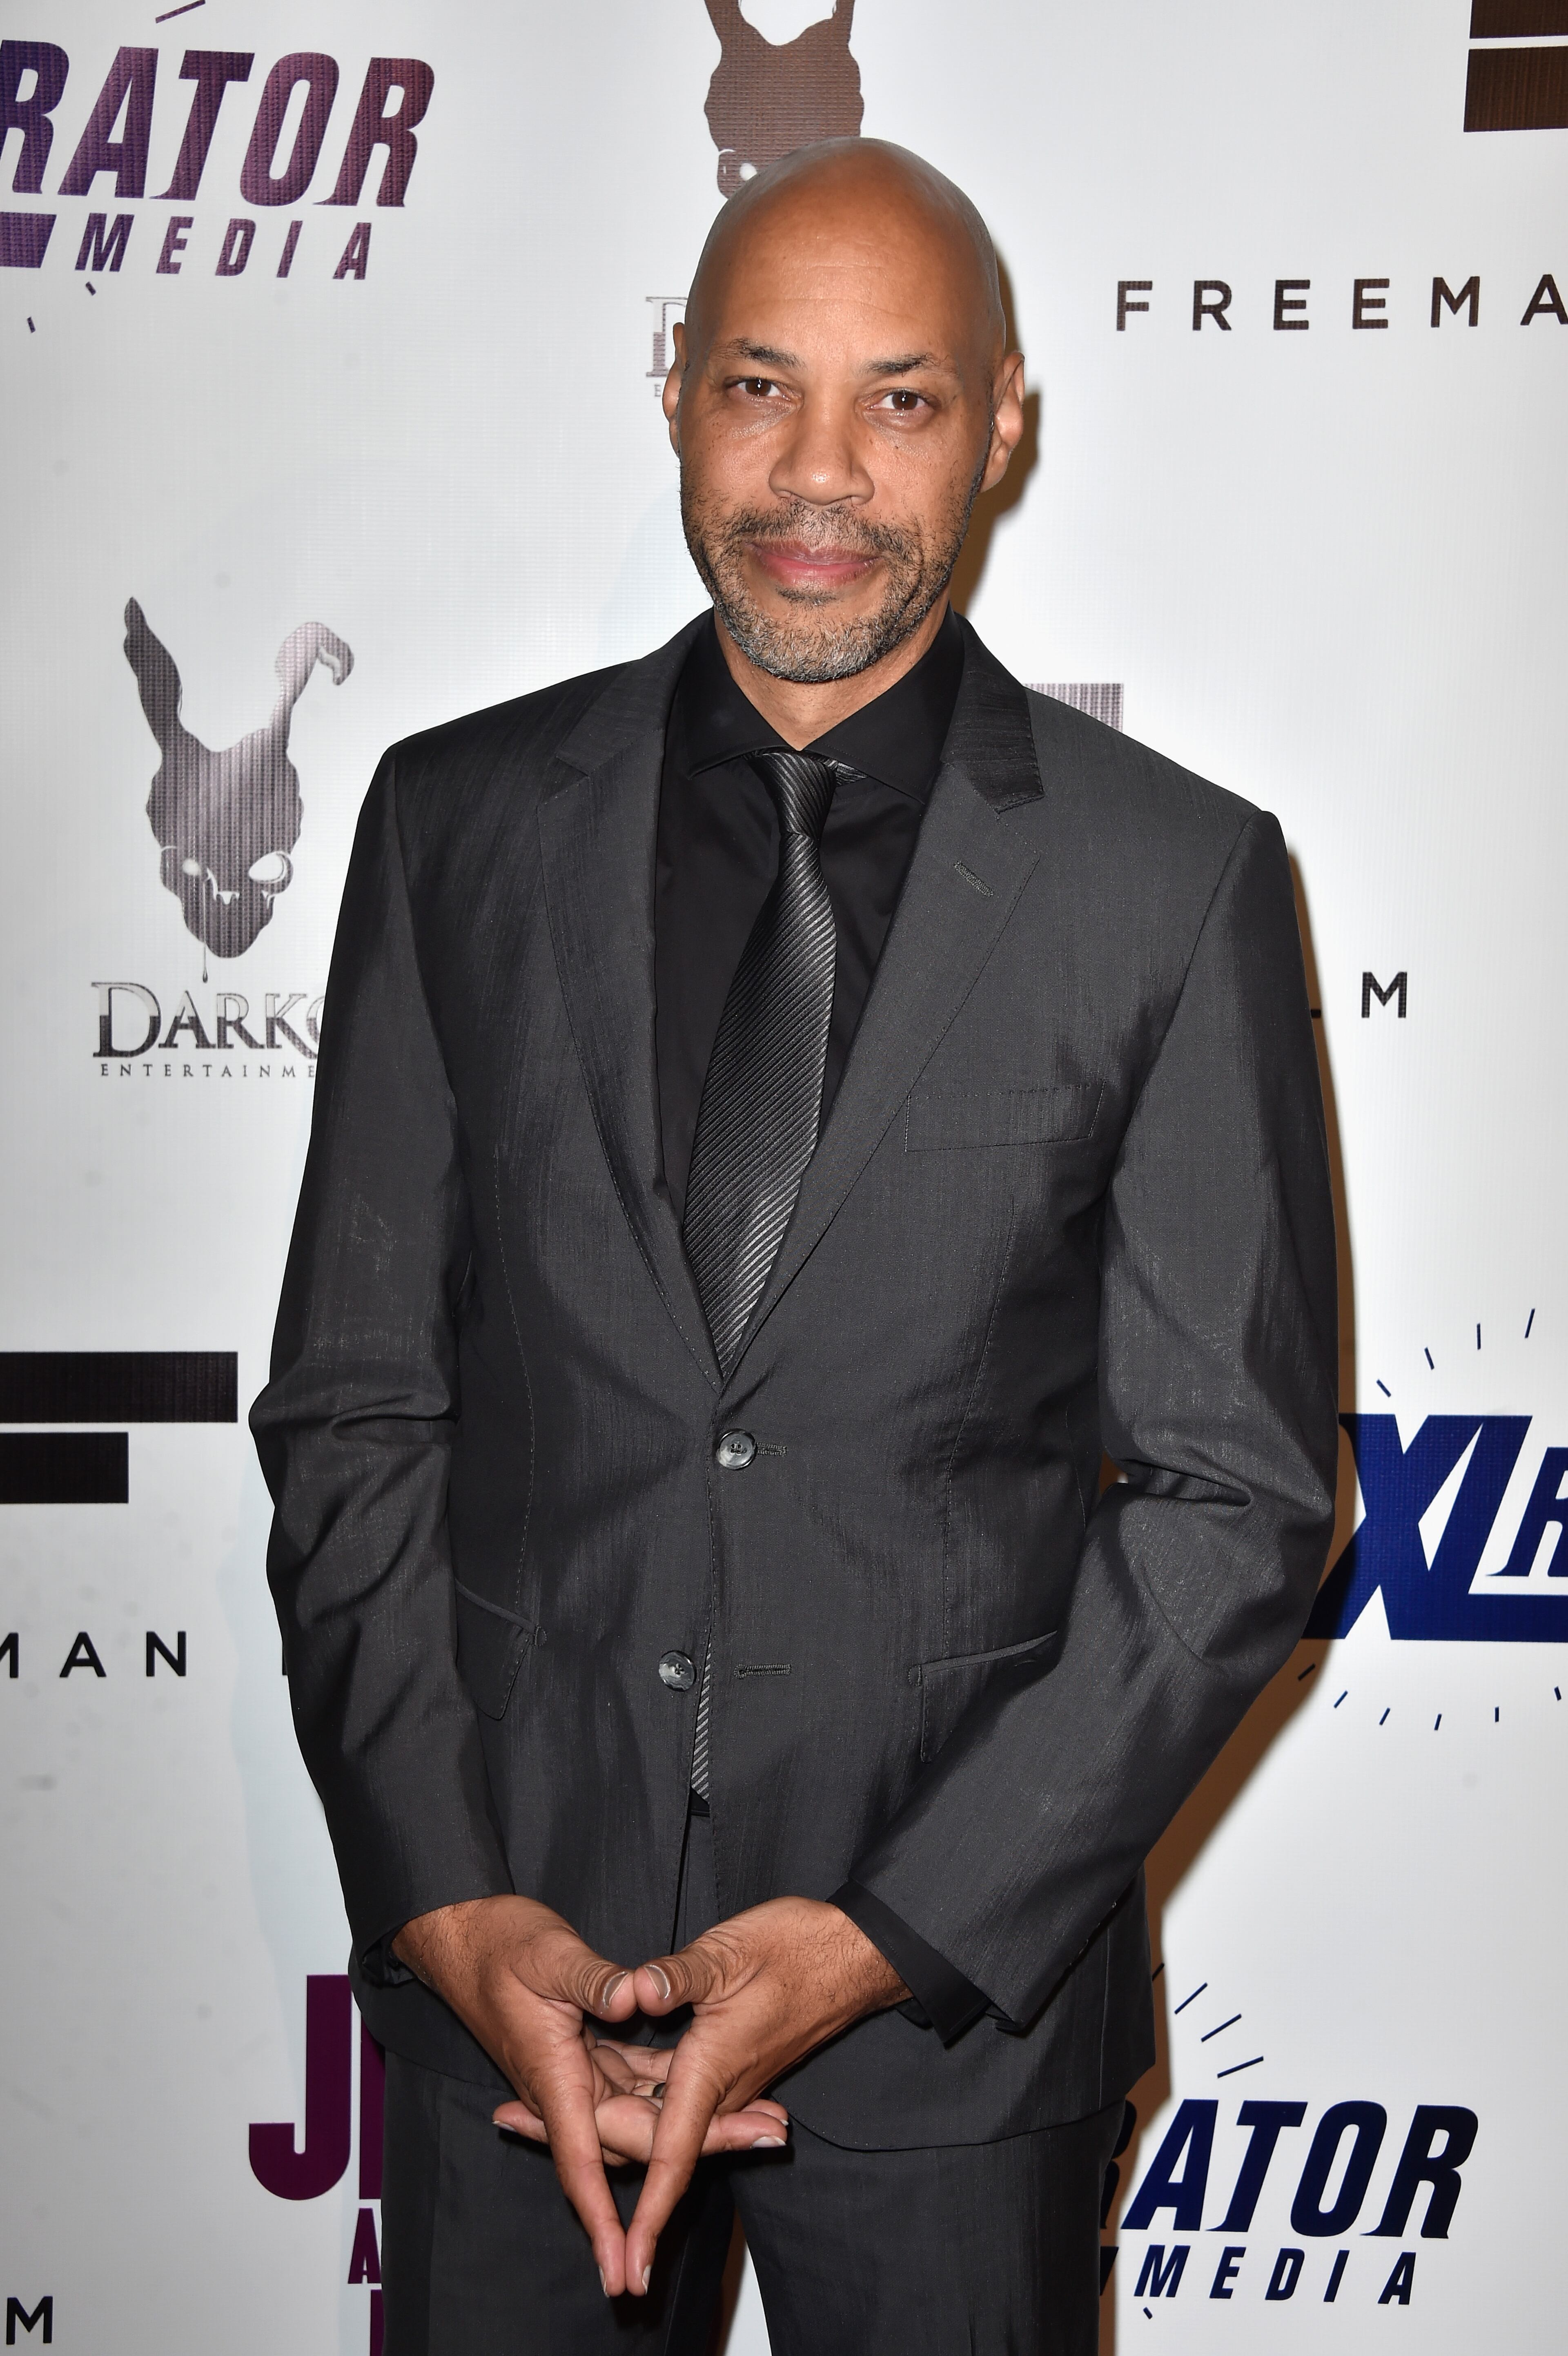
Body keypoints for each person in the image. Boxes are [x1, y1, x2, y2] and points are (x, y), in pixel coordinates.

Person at [252, 137, 1338, 2356]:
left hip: (945, 2033)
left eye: (903, 399)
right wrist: (454, 1909)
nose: (819, 475)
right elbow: (359, 1404)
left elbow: (1237, 1500)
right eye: (761, 387)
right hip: (513, 2024)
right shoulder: (455, 829)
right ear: (672, 389)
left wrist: (875, 1938)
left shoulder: (1175, 883)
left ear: (1006, 421)